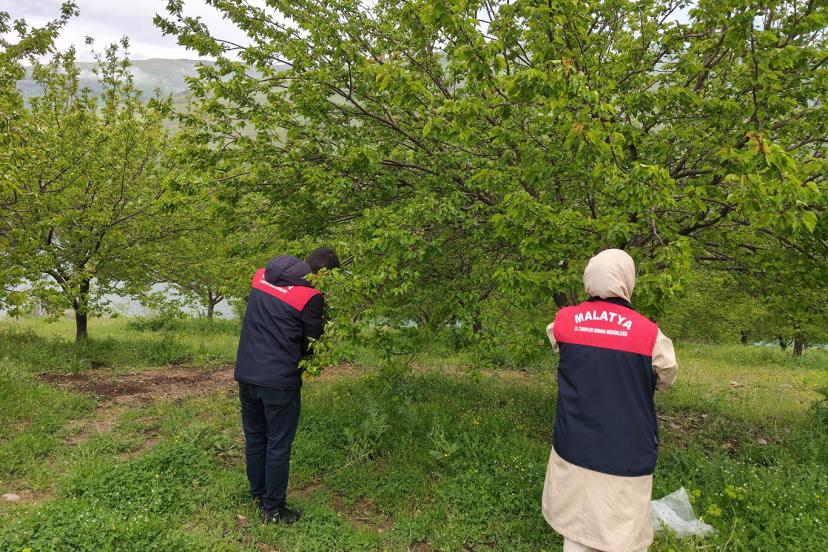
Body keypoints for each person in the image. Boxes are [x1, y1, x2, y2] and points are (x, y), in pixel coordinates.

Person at [542, 249, 678, 552]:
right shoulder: (649, 334)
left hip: (574, 446)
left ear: (589, 277)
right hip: (625, 451)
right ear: (627, 279)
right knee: (624, 534)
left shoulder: (565, 321)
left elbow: (559, 342)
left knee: (576, 531)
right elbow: (667, 377)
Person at [235, 247, 339, 524]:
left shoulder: (260, 276)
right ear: (324, 275)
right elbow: (310, 343)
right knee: (278, 445)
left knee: (255, 438)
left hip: (247, 373)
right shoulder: (311, 297)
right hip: (279, 381)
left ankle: (258, 494)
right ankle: (273, 509)